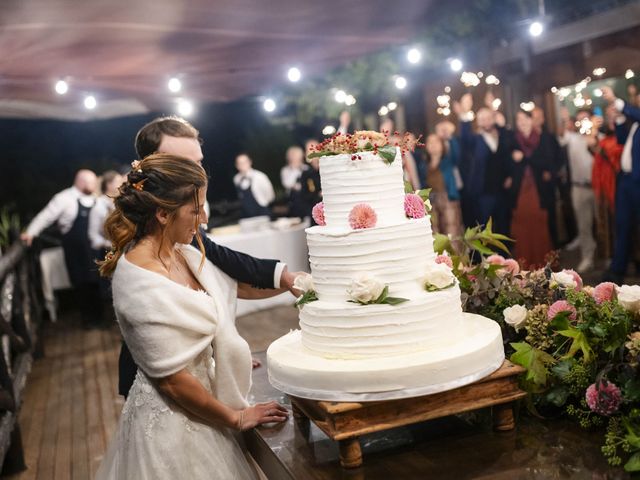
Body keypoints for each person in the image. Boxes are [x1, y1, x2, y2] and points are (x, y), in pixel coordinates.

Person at [95, 154, 288, 479]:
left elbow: (231, 284)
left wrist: (294, 281)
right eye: (195, 210)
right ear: (162, 214)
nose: (203, 218)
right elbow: (172, 381)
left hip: (207, 405)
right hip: (177, 426)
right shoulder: (139, 281)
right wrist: (235, 418)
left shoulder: (182, 251)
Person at [117, 116, 302, 399]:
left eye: (199, 161)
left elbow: (208, 271)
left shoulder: (185, 201)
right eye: (184, 161)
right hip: (162, 378)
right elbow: (174, 308)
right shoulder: (142, 227)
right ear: (156, 165)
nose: (196, 170)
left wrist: (222, 356)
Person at [21, 169, 103, 327]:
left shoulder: (96, 199)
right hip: (75, 250)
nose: (94, 185)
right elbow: (45, 217)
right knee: (81, 284)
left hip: (94, 249)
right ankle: (88, 320)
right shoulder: (64, 198)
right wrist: (30, 232)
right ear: (80, 181)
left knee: (97, 282)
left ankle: (100, 319)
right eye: (91, 182)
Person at [455, 93, 512, 233]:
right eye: (482, 119)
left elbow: (507, 156)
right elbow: (464, 138)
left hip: (503, 191)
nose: (485, 121)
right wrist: (464, 113)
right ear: (478, 122)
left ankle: (503, 255)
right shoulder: (475, 140)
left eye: (488, 118)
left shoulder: (502, 135)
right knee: (484, 229)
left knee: (504, 227)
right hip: (483, 194)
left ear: (493, 119)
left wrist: (510, 176)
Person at [505, 111, 554, 268]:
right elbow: (507, 164)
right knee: (521, 228)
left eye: (525, 118)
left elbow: (547, 162)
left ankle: (543, 265)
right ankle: (525, 266)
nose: (522, 122)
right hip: (520, 192)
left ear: (531, 120)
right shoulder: (512, 140)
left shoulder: (543, 138)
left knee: (541, 226)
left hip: (539, 190)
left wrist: (525, 158)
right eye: (518, 120)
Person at [602, 86, 640, 283]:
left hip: (637, 183)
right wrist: (617, 118)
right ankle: (617, 271)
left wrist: (616, 100)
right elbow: (623, 140)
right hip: (625, 181)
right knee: (622, 225)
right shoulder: (635, 124)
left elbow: (634, 112)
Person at [558, 109, 597, 273]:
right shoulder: (572, 139)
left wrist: (594, 137)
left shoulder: (599, 139)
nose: (583, 122)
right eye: (579, 120)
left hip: (597, 188)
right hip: (578, 188)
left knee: (603, 224)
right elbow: (560, 134)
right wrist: (564, 118)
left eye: (586, 119)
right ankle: (588, 257)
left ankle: (608, 256)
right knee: (583, 226)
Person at [590, 107, 623, 261]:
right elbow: (593, 148)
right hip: (603, 187)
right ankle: (610, 257)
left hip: (617, 187)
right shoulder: (604, 139)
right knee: (606, 222)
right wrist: (593, 131)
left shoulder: (623, 138)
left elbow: (615, 158)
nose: (611, 120)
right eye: (609, 116)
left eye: (614, 116)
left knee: (621, 224)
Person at [424, 133, 463, 238]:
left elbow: (456, 151)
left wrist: (449, 136)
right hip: (431, 202)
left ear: (442, 145)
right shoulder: (423, 164)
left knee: (452, 233)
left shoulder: (449, 160)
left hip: (448, 199)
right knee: (435, 233)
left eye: (436, 141)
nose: (433, 144)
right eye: (430, 142)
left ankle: (454, 254)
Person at [88, 170, 125, 251]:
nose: (122, 184)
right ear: (109, 184)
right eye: (118, 181)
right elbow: (93, 234)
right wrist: (107, 244)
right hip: (104, 251)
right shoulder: (98, 205)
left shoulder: (119, 203)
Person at [233, 153, 275, 218]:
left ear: (250, 162)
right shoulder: (236, 179)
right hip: (246, 214)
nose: (243, 165)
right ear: (237, 166)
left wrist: (263, 203)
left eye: (245, 162)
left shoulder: (260, 176)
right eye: (240, 163)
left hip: (261, 212)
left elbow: (270, 195)